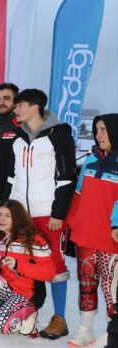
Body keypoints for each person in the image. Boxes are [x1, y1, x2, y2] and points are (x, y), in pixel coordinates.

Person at [4, 88, 76, 339]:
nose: (16, 109)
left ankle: (60, 319)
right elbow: (12, 177)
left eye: (20, 105)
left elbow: (67, 179)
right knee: (20, 258)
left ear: (34, 107)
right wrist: (7, 208)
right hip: (22, 213)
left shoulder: (60, 135)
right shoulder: (18, 137)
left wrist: (58, 213)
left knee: (54, 263)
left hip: (48, 213)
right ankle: (25, 309)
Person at [66, 113, 118, 346]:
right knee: (86, 283)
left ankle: (111, 331)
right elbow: (78, 194)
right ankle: (85, 328)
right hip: (86, 233)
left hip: (110, 236)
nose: (98, 135)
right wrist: (73, 222)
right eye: (96, 130)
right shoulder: (89, 160)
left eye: (103, 130)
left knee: (111, 288)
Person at [0, 200, 56, 335]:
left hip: (27, 293)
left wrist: (18, 265)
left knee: (2, 326)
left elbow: (49, 273)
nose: (2, 219)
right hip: (7, 288)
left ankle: (30, 313)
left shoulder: (34, 240)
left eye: (7, 215)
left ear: (17, 218)